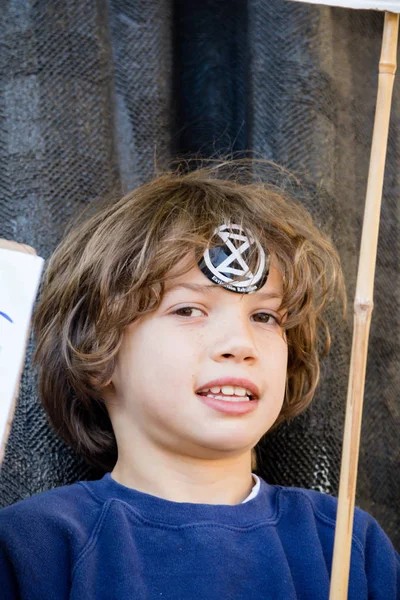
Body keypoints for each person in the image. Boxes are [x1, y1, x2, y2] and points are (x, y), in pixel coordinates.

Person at [0, 158, 398, 599]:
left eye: (264, 316)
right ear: (98, 352)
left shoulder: (346, 545)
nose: (240, 343)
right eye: (188, 310)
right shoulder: (33, 546)